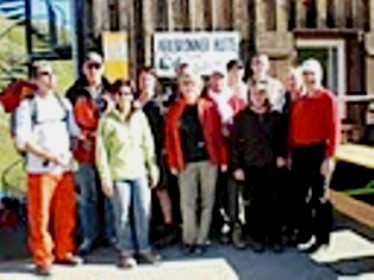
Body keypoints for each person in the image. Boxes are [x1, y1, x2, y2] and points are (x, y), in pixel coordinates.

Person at [15, 61, 82, 276]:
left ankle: (65, 250)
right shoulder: (27, 107)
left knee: (66, 212)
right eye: (44, 74)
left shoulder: (63, 104)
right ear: (34, 80)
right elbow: (23, 140)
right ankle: (43, 258)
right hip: (40, 170)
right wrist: (47, 156)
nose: (50, 78)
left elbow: (73, 132)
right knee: (40, 216)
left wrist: (70, 153)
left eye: (51, 74)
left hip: (63, 169)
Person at [96, 80, 161, 269]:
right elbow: (101, 152)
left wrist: (153, 167)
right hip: (118, 174)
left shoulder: (139, 117)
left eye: (128, 94)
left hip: (139, 171)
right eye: (121, 94)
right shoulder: (107, 120)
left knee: (143, 211)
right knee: (122, 214)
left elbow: (148, 144)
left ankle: (144, 249)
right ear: (115, 97)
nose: (125, 97)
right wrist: (105, 178)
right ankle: (126, 252)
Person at [165, 71, 227, 255]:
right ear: (181, 87)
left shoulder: (209, 107)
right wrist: (172, 162)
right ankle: (189, 238)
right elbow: (169, 139)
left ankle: (202, 240)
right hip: (186, 162)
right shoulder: (174, 110)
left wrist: (223, 159)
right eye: (185, 83)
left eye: (192, 83)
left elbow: (218, 136)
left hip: (209, 160)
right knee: (187, 202)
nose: (189, 86)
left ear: (199, 87)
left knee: (208, 202)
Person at [66, 52, 116, 255]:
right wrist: (80, 139)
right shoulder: (73, 93)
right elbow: (68, 123)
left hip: (109, 153)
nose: (93, 70)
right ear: (83, 69)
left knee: (110, 194)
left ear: (103, 67)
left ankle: (112, 235)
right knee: (88, 197)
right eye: (89, 66)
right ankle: (89, 237)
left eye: (97, 66)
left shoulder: (113, 91)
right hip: (84, 153)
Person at [231, 82, 288, 253]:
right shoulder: (241, 117)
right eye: (255, 93)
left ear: (267, 95)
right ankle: (257, 238)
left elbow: (282, 140)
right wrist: (236, 166)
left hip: (272, 166)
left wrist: (282, 156)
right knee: (254, 205)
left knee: (274, 203)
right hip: (251, 166)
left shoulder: (276, 117)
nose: (258, 96)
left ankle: (275, 238)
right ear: (249, 95)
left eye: (262, 93)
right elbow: (235, 145)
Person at [289, 59, 338, 253]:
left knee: (319, 197)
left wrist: (330, 157)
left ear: (319, 76)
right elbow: (293, 130)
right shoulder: (299, 101)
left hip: (319, 150)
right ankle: (305, 233)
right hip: (300, 151)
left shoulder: (328, 98)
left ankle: (321, 238)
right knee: (300, 196)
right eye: (306, 74)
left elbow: (334, 129)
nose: (309, 78)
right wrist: (291, 152)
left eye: (312, 74)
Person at [137, 67, 178, 247]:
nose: (145, 83)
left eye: (148, 79)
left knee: (162, 189)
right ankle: (148, 225)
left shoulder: (161, 103)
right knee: (144, 191)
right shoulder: (133, 103)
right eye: (142, 79)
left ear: (155, 82)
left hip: (158, 152)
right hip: (137, 153)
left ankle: (169, 226)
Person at [206, 69, 246, 246]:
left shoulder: (236, 100)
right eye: (214, 78)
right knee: (214, 194)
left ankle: (236, 228)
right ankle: (219, 227)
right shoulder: (205, 101)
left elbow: (243, 128)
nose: (218, 82)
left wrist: (229, 131)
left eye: (221, 78)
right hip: (211, 155)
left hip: (232, 155)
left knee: (233, 194)